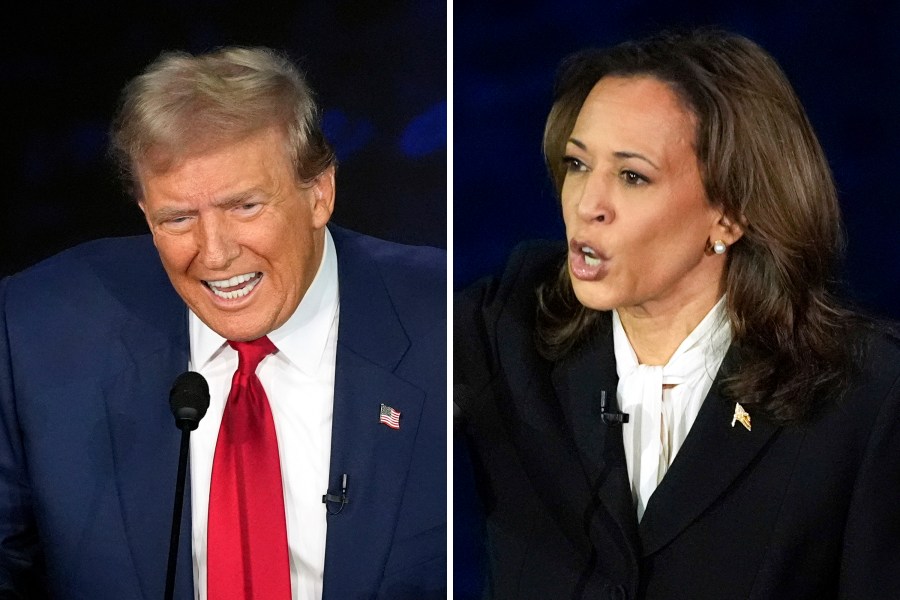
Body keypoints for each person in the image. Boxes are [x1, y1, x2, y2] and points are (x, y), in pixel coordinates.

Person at [455, 29, 900, 599]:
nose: (588, 205)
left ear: (729, 215)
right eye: (576, 164)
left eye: (632, 176)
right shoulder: (504, 332)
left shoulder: (863, 399)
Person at [0, 46, 446, 599]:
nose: (213, 255)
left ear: (319, 194)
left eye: (245, 207)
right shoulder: (39, 331)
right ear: (145, 213)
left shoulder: (451, 324)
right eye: (178, 218)